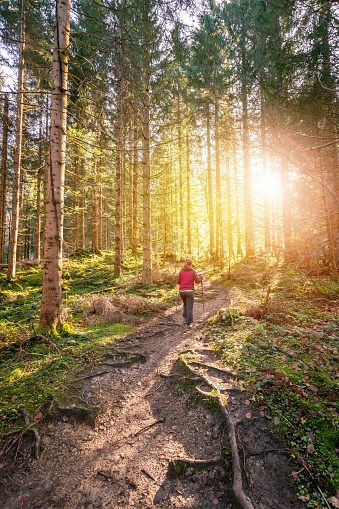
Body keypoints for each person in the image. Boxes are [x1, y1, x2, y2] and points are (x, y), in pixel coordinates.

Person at [177, 258, 203, 329]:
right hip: (189, 291)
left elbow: (178, 282)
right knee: (189, 307)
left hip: (182, 291)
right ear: (191, 264)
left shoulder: (181, 271)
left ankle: (185, 317)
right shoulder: (193, 271)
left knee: (185, 304)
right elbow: (197, 281)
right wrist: (200, 277)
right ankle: (188, 324)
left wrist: (184, 281)